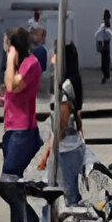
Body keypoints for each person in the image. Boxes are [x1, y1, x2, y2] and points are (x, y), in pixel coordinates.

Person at [0, 27, 43, 222]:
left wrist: (10, 59)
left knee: (7, 187)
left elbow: (12, 85)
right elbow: (12, 95)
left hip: (24, 133)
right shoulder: (21, 65)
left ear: (13, 45)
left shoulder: (30, 64)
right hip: (12, 132)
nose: (4, 46)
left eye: (6, 43)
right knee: (15, 185)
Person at [37, 42, 88, 204]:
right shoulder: (73, 81)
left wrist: (49, 151)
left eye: (55, 55)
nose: (52, 58)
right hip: (74, 146)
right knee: (67, 195)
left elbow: (61, 122)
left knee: (67, 197)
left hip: (66, 150)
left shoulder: (65, 87)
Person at [95, 10, 112, 80]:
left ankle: (106, 74)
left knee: (106, 59)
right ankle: (106, 74)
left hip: (106, 43)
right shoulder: (103, 26)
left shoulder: (105, 26)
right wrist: (100, 43)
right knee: (105, 59)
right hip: (105, 43)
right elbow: (97, 35)